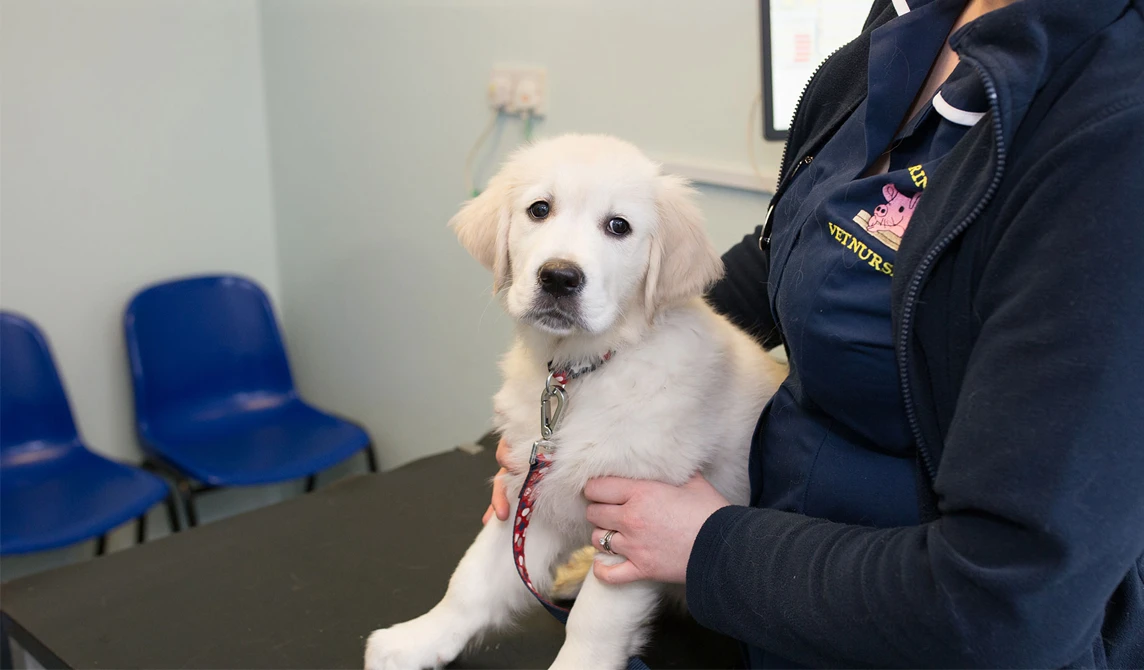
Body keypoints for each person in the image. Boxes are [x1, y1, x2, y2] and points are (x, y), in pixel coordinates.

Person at [484, 0, 1144, 665]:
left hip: (894, 622)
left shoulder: (1114, 135)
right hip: (762, 580)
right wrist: (579, 418)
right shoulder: (903, 29)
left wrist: (711, 546)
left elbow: (1008, 604)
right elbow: (802, 250)